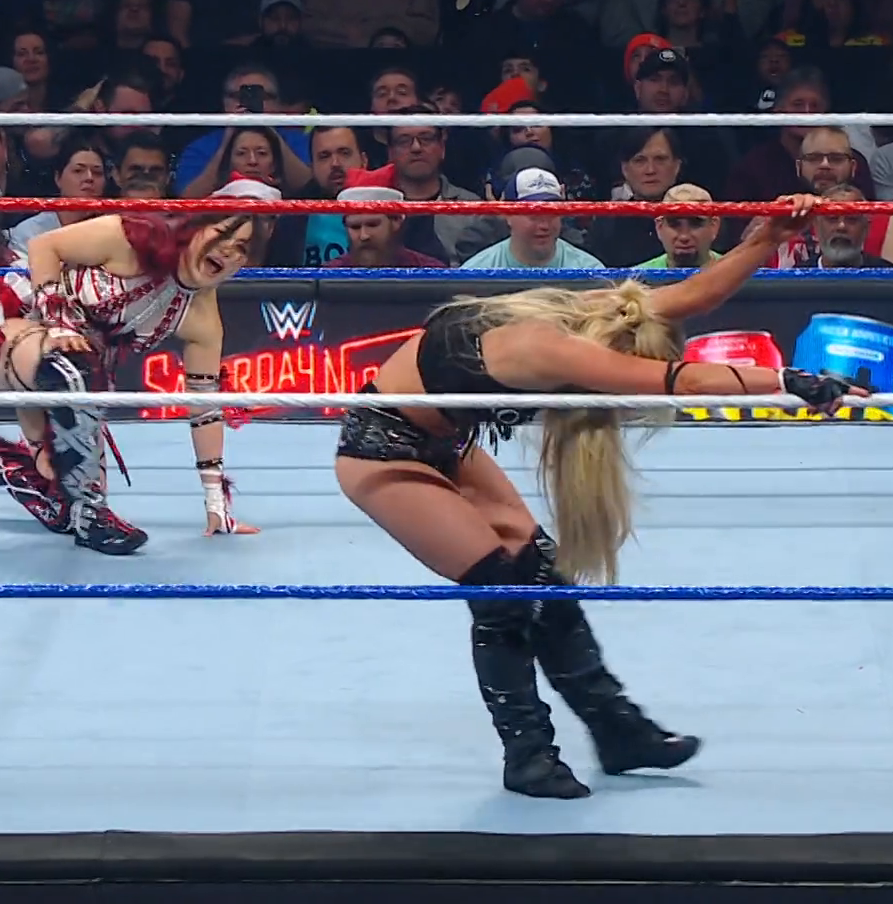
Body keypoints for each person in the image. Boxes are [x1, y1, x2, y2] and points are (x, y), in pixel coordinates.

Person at [333, 195, 864, 799]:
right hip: (381, 449)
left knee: (540, 571)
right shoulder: (553, 348)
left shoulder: (599, 314)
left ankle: (619, 731)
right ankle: (528, 755)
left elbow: (692, 296)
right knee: (500, 590)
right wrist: (788, 380)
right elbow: (682, 380)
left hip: (447, 441)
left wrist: (766, 238)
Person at [0, 176, 279, 555]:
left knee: (63, 502)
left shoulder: (201, 318)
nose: (228, 251)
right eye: (221, 234)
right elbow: (44, 246)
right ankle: (93, 518)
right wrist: (58, 323)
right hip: (10, 329)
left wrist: (215, 500)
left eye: (242, 249)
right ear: (197, 225)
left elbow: (204, 406)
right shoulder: (134, 236)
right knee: (72, 373)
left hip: (75, 379)